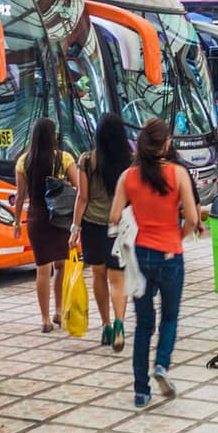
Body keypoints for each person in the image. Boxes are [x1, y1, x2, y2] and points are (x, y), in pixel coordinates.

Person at [109, 120, 202, 408]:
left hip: (140, 255)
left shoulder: (128, 176)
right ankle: (161, 364)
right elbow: (193, 219)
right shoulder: (178, 174)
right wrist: (178, 235)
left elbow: (113, 216)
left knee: (143, 325)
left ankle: (140, 391)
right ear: (166, 143)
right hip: (170, 254)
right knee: (170, 317)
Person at [12, 117, 81, 332]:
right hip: (60, 218)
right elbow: (79, 187)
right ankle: (59, 311)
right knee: (60, 266)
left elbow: (20, 195)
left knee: (42, 270)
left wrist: (16, 222)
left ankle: (44, 320)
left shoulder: (24, 162)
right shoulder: (64, 158)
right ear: (53, 136)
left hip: (37, 218)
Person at [71, 113, 130, 351]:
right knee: (118, 278)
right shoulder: (129, 161)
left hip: (92, 226)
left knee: (98, 275)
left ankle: (105, 325)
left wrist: (74, 228)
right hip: (119, 227)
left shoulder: (86, 160)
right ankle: (119, 323)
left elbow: (82, 197)